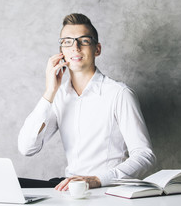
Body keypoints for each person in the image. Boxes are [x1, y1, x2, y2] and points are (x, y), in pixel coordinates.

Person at [18, 13, 155, 191]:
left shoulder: (119, 94)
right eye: (67, 41)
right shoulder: (58, 96)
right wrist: (49, 92)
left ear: (97, 49)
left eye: (83, 41)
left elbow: (145, 155)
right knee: (12, 187)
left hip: (107, 189)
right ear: (62, 52)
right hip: (71, 189)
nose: (75, 47)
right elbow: (27, 148)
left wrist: (98, 179)